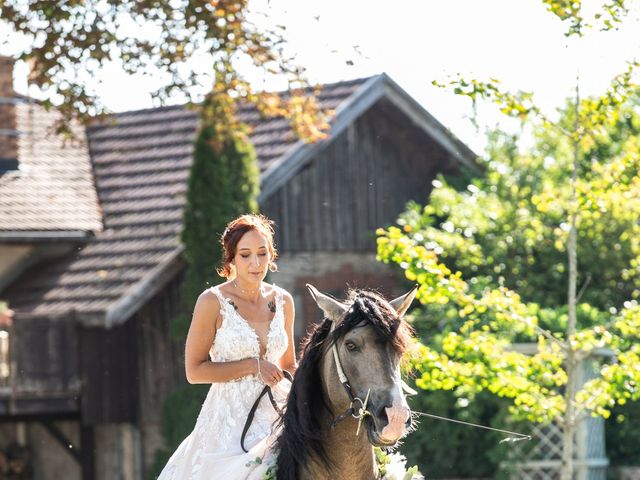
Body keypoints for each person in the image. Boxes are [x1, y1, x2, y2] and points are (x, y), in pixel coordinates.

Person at [158, 214, 296, 480]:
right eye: (245, 255)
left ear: (271, 255)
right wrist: (253, 367)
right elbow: (195, 372)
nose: (255, 263)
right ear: (231, 258)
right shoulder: (212, 301)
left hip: (277, 414)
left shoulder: (284, 301)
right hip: (228, 423)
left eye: (262, 253)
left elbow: (288, 364)